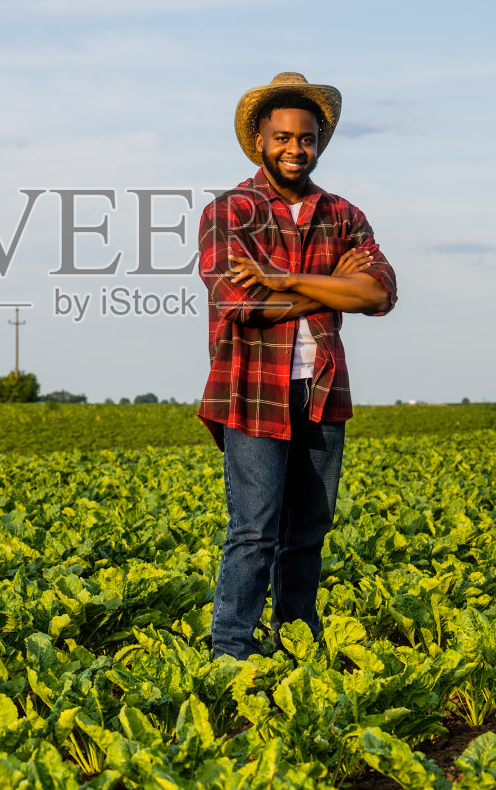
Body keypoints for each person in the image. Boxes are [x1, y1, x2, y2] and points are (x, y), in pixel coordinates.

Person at [198, 71, 397, 659]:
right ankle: (229, 651)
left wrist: (285, 280)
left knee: (309, 529)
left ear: (318, 143)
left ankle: (296, 641)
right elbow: (240, 305)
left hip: (321, 386)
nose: (294, 149)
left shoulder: (341, 214)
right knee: (255, 530)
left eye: (305, 139)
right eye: (282, 137)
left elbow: (381, 293)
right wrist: (336, 287)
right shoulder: (231, 210)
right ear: (260, 140)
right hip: (252, 388)